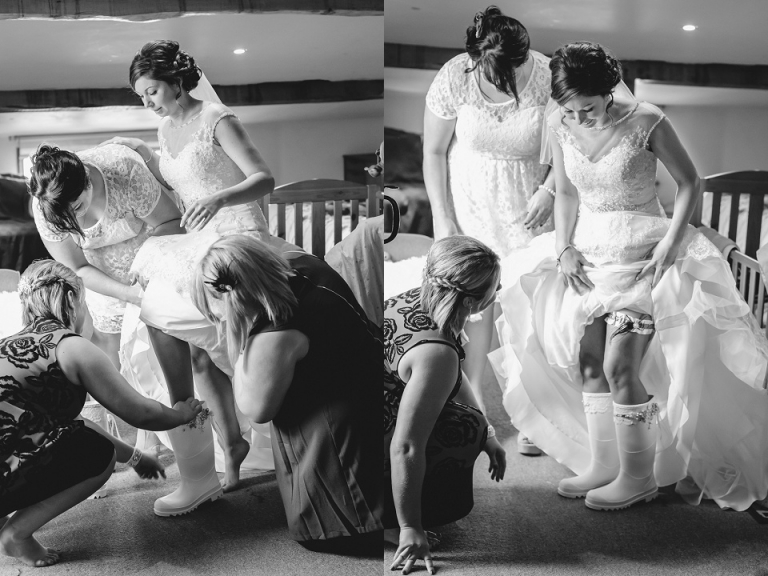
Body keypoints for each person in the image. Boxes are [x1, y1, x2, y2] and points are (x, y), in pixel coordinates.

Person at [490, 41, 768, 511]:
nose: (582, 119)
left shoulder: (647, 120)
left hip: (644, 255)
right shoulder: (560, 123)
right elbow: (567, 195)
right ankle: (604, 464)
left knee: (622, 366)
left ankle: (638, 477)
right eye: (572, 110)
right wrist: (563, 248)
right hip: (590, 255)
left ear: (607, 92)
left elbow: (691, 183)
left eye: (590, 108)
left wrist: (671, 242)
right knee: (588, 363)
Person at [109, 40, 300, 503]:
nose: (147, 102)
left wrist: (219, 198)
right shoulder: (166, 131)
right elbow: (179, 188)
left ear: (176, 83)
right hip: (196, 241)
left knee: (232, 343)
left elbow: (264, 177)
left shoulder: (217, 118)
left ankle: (275, 436)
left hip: (235, 235)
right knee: (182, 340)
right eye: (140, 96)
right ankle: (228, 442)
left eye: (151, 91)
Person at [0, 260, 202, 568]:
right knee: (98, 455)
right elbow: (142, 413)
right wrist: (180, 414)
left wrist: (135, 457)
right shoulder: (70, 347)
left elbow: (67, 425)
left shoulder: (7, 345)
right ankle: (17, 534)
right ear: (72, 301)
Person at [191, 236, 383, 552]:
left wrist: (239, 336)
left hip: (341, 444)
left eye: (215, 309)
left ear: (231, 294)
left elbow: (254, 409)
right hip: (371, 390)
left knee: (335, 532)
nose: (217, 318)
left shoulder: (276, 334)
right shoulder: (300, 263)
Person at [423, 7, 553, 453]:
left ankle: (537, 414)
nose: (501, 82)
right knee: (470, 310)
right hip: (471, 204)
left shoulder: (551, 76)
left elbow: (574, 143)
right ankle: (467, 407)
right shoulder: (454, 75)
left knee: (528, 308)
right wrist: (443, 218)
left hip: (529, 206)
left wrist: (552, 189)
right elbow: (435, 151)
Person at [384, 236, 507, 575]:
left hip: (363, 414)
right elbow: (407, 446)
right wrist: (410, 526)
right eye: (494, 289)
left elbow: (454, 378)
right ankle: (393, 519)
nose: (497, 294)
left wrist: (491, 431)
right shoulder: (437, 354)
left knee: (479, 422)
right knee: (466, 429)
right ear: (471, 301)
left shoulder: (418, 299)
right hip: (375, 440)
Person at [29, 143, 183, 369]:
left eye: (78, 207)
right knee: (117, 355)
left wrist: (145, 264)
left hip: (153, 255)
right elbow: (78, 268)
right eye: (65, 216)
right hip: (98, 275)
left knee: (170, 337)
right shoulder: (45, 204)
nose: (74, 219)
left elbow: (171, 223)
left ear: (87, 180)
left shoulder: (124, 171)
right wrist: (129, 294)